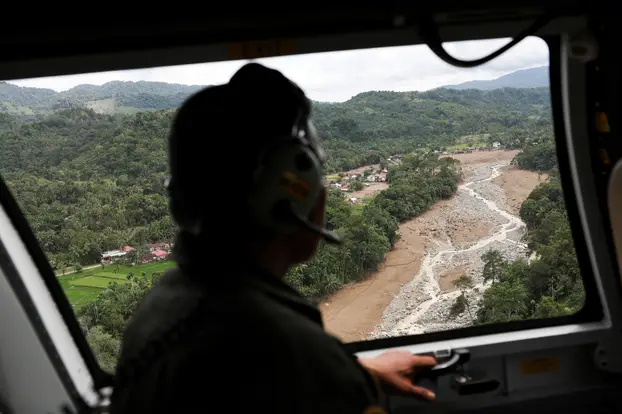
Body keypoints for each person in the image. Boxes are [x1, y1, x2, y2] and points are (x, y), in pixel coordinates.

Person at [110, 62, 437, 414]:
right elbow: (277, 372)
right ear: (297, 196)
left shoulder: (161, 308)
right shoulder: (284, 347)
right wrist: (337, 378)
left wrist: (358, 376)